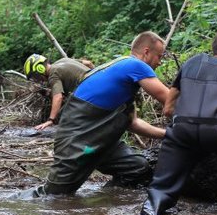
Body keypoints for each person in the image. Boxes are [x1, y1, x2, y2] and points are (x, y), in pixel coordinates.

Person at [17, 31, 169, 197]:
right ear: (146, 52)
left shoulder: (122, 78)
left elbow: (133, 123)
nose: (160, 62)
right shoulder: (134, 66)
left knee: (137, 167)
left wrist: (168, 135)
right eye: (159, 56)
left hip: (101, 143)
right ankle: (15, 202)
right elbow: (171, 101)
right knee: (53, 195)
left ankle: (105, 201)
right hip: (77, 142)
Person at [139, 26, 217, 215]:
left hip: (181, 128)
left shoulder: (192, 62)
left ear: (214, 46)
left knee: (160, 188)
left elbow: (167, 109)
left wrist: (189, 129)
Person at [23, 54, 93, 130]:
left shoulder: (53, 75)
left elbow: (58, 97)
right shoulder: (62, 61)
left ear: (40, 69)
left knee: (64, 116)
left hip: (90, 93)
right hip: (95, 81)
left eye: (35, 77)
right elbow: (88, 63)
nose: (39, 80)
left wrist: (50, 120)